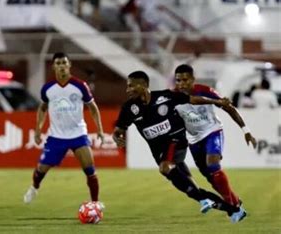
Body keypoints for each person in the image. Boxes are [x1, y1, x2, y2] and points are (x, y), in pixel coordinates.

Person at [112, 71, 247, 223]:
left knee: (165, 168)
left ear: (143, 85)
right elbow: (119, 129)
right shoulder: (129, 108)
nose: (127, 90)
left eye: (131, 86)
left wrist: (216, 102)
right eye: (127, 87)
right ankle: (234, 210)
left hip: (176, 142)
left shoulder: (165, 96)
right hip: (159, 152)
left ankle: (205, 199)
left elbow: (193, 100)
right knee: (191, 189)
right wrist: (117, 136)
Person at [173, 64, 257, 217]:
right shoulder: (172, 97)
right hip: (193, 140)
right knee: (211, 178)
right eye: (178, 80)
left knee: (213, 165)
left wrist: (246, 130)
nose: (181, 84)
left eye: (185, 80)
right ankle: (236, 203)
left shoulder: (205, 91)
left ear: (193, 79)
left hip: (213, 131)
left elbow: (228, 107)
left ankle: (231, 206)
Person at [23, 52, 105, 206]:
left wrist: (99, 130)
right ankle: (34, 187)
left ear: (69, 65)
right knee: (41, 168)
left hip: (78, 134)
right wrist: (38, 129)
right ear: (54, 66)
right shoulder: (48, 88)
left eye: (64, 63)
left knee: (90, 169)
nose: (61, 66)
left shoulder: (80, 86)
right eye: (58, 63)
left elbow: (93, 108)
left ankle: (95, 202)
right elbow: (42, 108)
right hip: (57, 136)